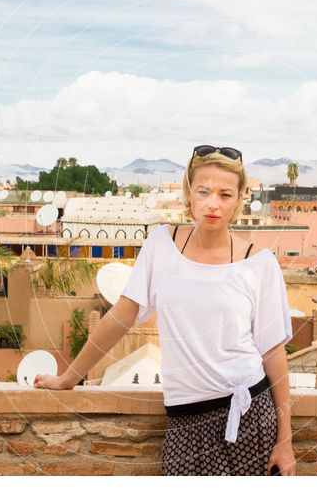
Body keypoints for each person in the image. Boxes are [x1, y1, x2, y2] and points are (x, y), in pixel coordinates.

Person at [34, 145, 296, 476]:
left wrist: (284, 440)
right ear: (189, 193)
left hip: (246, 417)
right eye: (204, 191)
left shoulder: (259, 264)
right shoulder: (160, 244)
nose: (213, 203)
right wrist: (70, 377)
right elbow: (122, 315)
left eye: (225, 194)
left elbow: (273, 353)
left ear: (240, 198)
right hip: (182, 423)